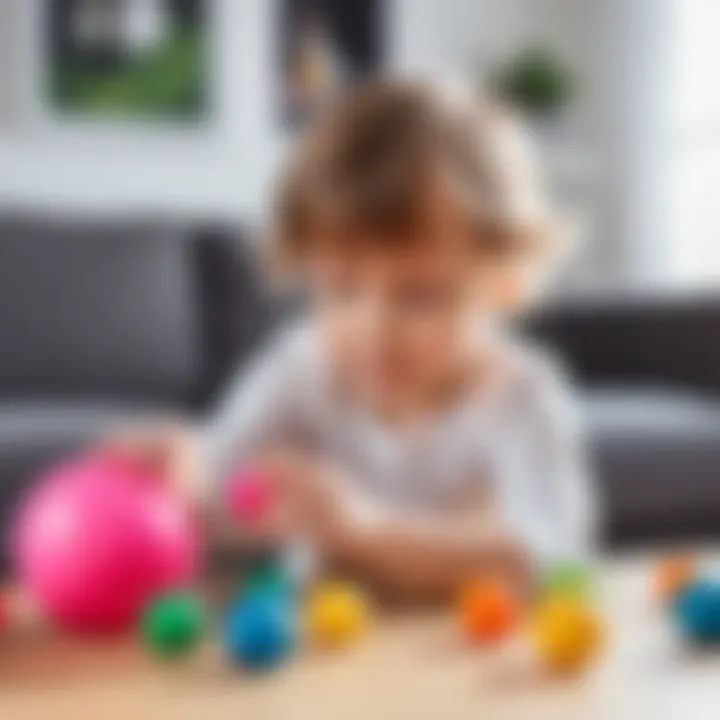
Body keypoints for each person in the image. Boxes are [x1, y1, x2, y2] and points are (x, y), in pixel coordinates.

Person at [111, 79, 595, 601]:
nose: (375, 327)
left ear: (505, 283)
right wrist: (184, 477)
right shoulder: (303, 369)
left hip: (468, 659)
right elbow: (224, 485)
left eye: (420, 295)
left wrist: (367, 531)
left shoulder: (521, 396)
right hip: (323, 651)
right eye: (342, 289)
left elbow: (558, 560)